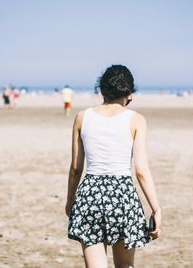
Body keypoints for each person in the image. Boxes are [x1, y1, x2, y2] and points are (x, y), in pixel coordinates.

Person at [65, 65, 162, 268]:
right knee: (125, 265)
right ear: (129, 93)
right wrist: (156, 208)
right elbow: (141, 170)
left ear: (101, 90)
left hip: (90, 194)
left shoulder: (82, 117)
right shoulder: (136, 120)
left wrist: (70, 200)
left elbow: (76, 168)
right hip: (122, 195)